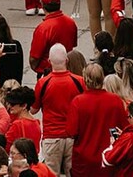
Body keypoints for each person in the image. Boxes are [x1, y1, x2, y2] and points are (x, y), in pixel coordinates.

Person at [67, 63, 129, 176]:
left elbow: (71, 132)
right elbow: (124, 128)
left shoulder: (78, 102)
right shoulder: (115, 100)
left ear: (85, 79)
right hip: (109, 158)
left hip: (84, 160)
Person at [33, 44, 86, 175]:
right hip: (73, 136)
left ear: (49, 62)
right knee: (73, 172)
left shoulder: (43, 83)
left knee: (51, 173)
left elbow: (33, 110)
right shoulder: (79, 81)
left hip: (52, 136)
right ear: (66, 60)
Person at [29, 0, 79, 75]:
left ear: (43, 5)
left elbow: (34, 58)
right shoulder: (71, 22)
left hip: (48, 72)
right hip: (68, 70)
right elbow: (73, 45)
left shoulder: (43, 28)